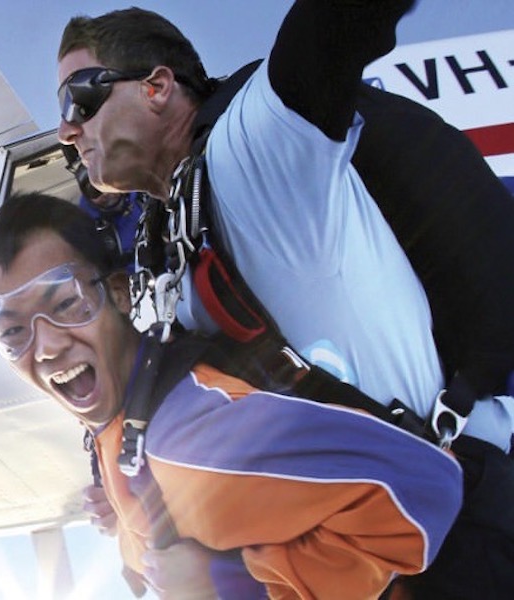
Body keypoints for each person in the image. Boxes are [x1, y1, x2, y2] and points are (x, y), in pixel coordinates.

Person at [55, 3, 514, 596]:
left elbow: (330, 27)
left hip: (448, 535)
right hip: (342, 560)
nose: (67, 129)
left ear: (158, 86)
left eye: (78, 99)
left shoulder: (257, 144)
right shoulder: (162, 249)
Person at [0, 192, 462, 599]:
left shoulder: (188, 439)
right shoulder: (120, 425)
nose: (48, 345)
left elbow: (423, 489)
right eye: (13, 333)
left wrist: (228, 583)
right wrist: (121, 518)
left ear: (119, 293)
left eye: (66, 303)